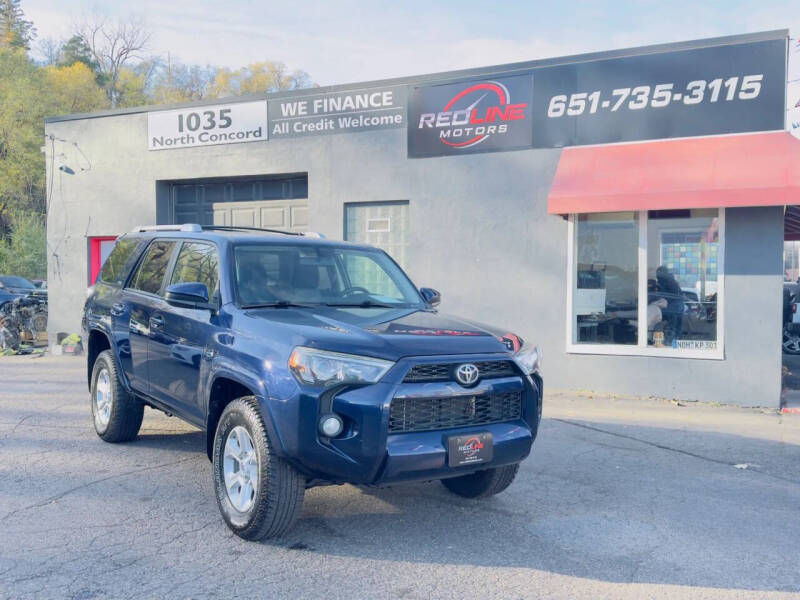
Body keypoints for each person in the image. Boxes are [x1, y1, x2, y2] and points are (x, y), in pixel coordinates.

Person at [655, 266, 684, 344]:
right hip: (678, 305)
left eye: (658, 272)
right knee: (677, 326)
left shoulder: (665, 281)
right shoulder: (671, 280)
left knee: (672, 326)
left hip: (673, 306)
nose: (657, 275)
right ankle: (676, 342)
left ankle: (670, 342)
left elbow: (667, 295)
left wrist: (660, 300)